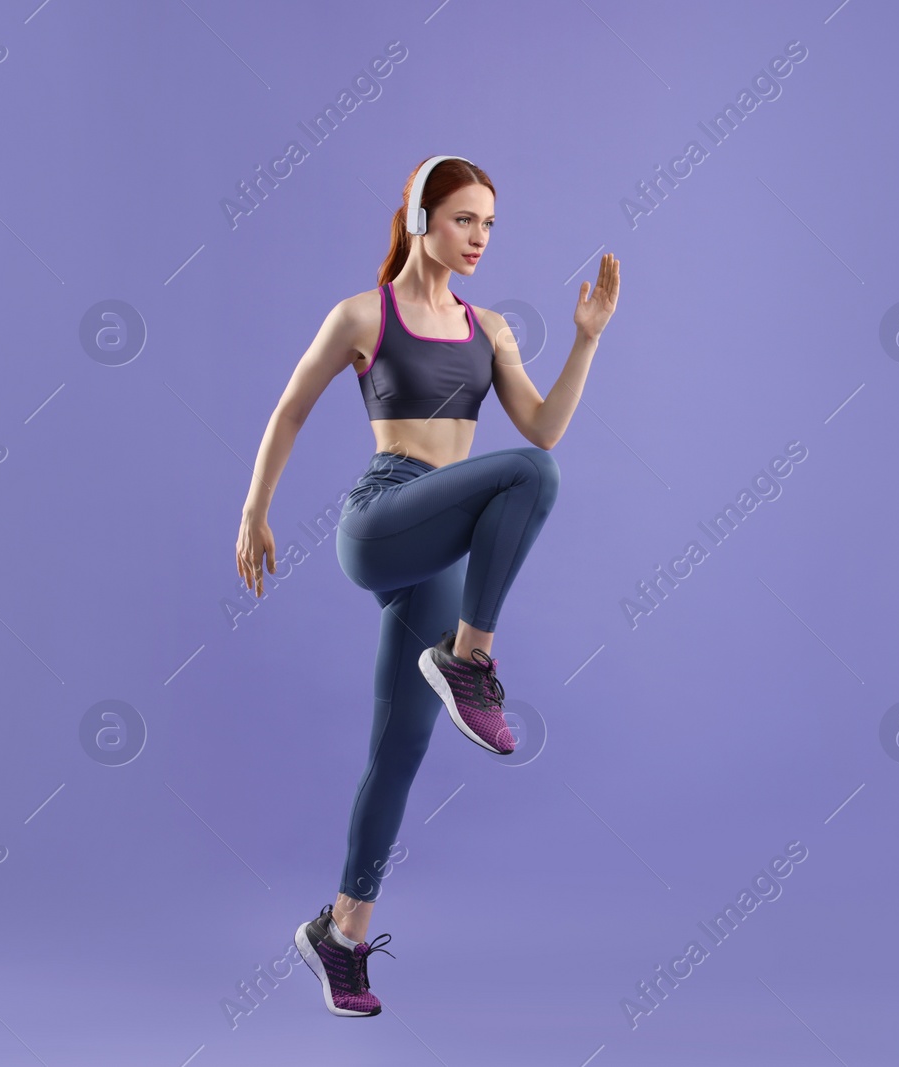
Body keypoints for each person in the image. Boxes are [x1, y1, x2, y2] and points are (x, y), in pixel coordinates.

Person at [233, 155, 620, 1016]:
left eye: (489, 224)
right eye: (463, 220)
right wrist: (256, 507)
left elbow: (544, 425)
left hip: (440, 550)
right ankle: (468, 659)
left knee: (398, 751)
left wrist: (587, 337)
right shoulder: (362, 314)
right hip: (381, 517)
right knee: (530, 476)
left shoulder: (490, 331)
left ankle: (341, 932)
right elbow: (291, 406)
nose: (479, 238)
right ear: (420, 218)